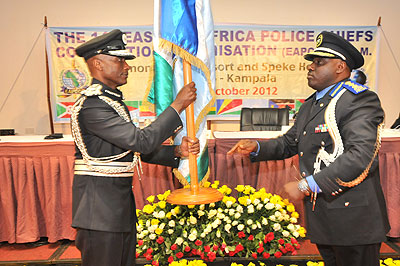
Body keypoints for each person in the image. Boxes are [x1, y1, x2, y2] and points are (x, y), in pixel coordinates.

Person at [228, 31, 390, 266]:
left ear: (340, 67)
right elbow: (289, 143)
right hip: (325, 216)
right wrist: (257, 147)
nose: (310, 68)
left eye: (319, 62)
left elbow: (360, 157)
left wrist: (306, 185)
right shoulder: (311, 104)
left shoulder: (358, 100)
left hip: (354, 219)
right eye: (312, 62)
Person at [71, 29, 199, 266]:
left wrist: (176, 152)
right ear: (98, 63)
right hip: (99, 213)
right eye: (119, 60)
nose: (126, 66)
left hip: (116, 210)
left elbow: (132, 151)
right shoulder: (93, 106)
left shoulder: (109, 101)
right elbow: (141, 141)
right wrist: (177, 105)